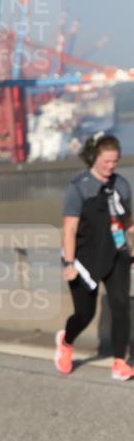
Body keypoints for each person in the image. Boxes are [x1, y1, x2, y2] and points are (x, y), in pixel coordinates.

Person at [55, 133, 133, 380]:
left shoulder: (121, 185)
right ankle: (66, 341)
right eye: (106, 161)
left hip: (116, 254)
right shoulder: (80, 187)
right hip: (84, 260)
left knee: (121, 306)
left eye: (115, 162)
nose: (111, 167)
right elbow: (69, 228)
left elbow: (128, 221)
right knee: (84, 315)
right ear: (95, 158)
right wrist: (69, 263)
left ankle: (120, 362)